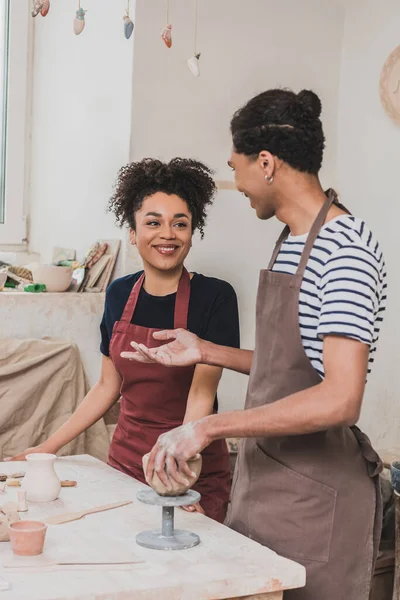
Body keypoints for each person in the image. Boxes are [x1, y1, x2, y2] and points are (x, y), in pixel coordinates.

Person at [121, 90, 387, 599]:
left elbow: (340, 396)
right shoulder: (291, 240)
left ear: (265, 163)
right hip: (265, 484)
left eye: (235, 166)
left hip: (316, 500)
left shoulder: (344, 249)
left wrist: (206, 427)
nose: (235, 183)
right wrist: (206, 350)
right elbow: (291, 367)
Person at [11, 158, 240, 523]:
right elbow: (107, 386)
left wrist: (178, 473)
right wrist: (46, 449)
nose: (168, 234)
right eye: (153, 222)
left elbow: (201, 394)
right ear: (132, 233)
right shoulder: (119, 293)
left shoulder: (215, 296)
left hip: (189, 466)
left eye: (180, 223)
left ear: (191, 233)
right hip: (125, 463)